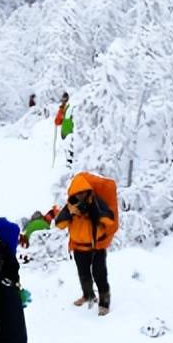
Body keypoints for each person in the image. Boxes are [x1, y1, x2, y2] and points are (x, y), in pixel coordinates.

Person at [55, 174, 115, 316]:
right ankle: (88, 295)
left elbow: (109, 220)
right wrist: (70, 213)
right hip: (78, 248)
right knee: (84, 274)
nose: (80, 195)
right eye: (78, 192)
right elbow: (59, 224)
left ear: (88, 190)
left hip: (97, 247)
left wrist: (94, 212)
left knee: (99, 274)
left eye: (83, 192)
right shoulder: (70, 205)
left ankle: (104, 301)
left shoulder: (96, 202)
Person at [54, 92, 74, 167]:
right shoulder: (71, 106)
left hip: (66, 131)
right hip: (71, 130)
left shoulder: (63, 108)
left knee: (68, 148)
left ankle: (70, 163)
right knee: (71, 147)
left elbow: (57, 121)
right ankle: (71, 162)